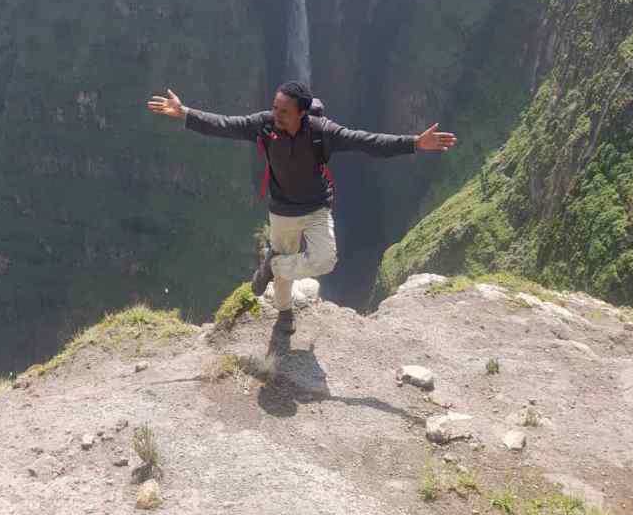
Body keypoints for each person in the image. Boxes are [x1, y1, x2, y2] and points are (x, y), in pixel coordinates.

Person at [147, 82, 457, 333]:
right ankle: (284, 314)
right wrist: (184, 112)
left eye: (283, 110)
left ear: (302, 113)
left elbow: (369, 142)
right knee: (285, 280)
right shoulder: (264, 126)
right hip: (282, 210)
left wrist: (415, 142)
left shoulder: (324, 132)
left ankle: (273, 263)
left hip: (316, 208)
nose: (276, 114)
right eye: (274, 107)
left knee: (323, 260)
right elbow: (225, 125)